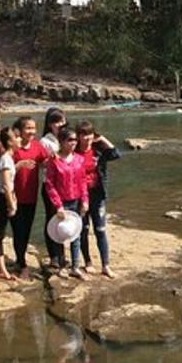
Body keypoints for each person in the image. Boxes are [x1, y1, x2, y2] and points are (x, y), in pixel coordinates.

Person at [74, 120, 121, 278]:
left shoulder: (98, 151)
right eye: (83, 135)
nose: (87, 138)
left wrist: (102, 139)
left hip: (97, 194)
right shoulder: (73, 152)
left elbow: (116, 154)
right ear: (78, 136)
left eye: (89, 134)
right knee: (83, 230)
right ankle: (87, 262)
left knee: (100, 230)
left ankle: (105, 265)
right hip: (80, 196)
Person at [44, 126, 88, 278]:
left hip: (75, 201)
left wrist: (85, 201)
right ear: (61, 142)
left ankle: (75, 266)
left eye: (75, 140)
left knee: (76, 234)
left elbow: (83, 182)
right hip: (61, 203)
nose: (73, 143)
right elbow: (49, 184)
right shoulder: (54, 160)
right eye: (70, 140)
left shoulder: (80, 159)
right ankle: (62, 264)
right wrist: (58, 205)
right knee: (60, 233)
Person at [9, 116, 48, 280]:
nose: (32, 131)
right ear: (19, 130)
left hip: (31, 195)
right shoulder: (13, 148)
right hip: (13, 196)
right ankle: (22, 264)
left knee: (26, 231)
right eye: (28, 128)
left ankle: (20, 260)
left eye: (34, 128)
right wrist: (19, 165)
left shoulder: (38, 146)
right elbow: (2, 169)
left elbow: (46, 162)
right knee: (18, 231)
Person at [0, 126, 18, 280]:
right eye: (16, 137)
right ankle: (2, 269)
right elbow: (6, 184)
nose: (19, 140)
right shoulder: (6, 159)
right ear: (10, 142)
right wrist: (11, 203)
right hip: (1, 198)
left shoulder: (6, 158)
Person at [40, 108, 68, 267]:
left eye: (62, 121)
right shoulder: (46, 141)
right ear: (49, 125)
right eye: (56, 122)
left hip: (65, 185)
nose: (59, 125)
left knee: (64, 218)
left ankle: (61, 253)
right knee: (52, 218)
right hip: (50, 185)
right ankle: (54, 256)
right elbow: (42, 164)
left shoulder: (68, 137)